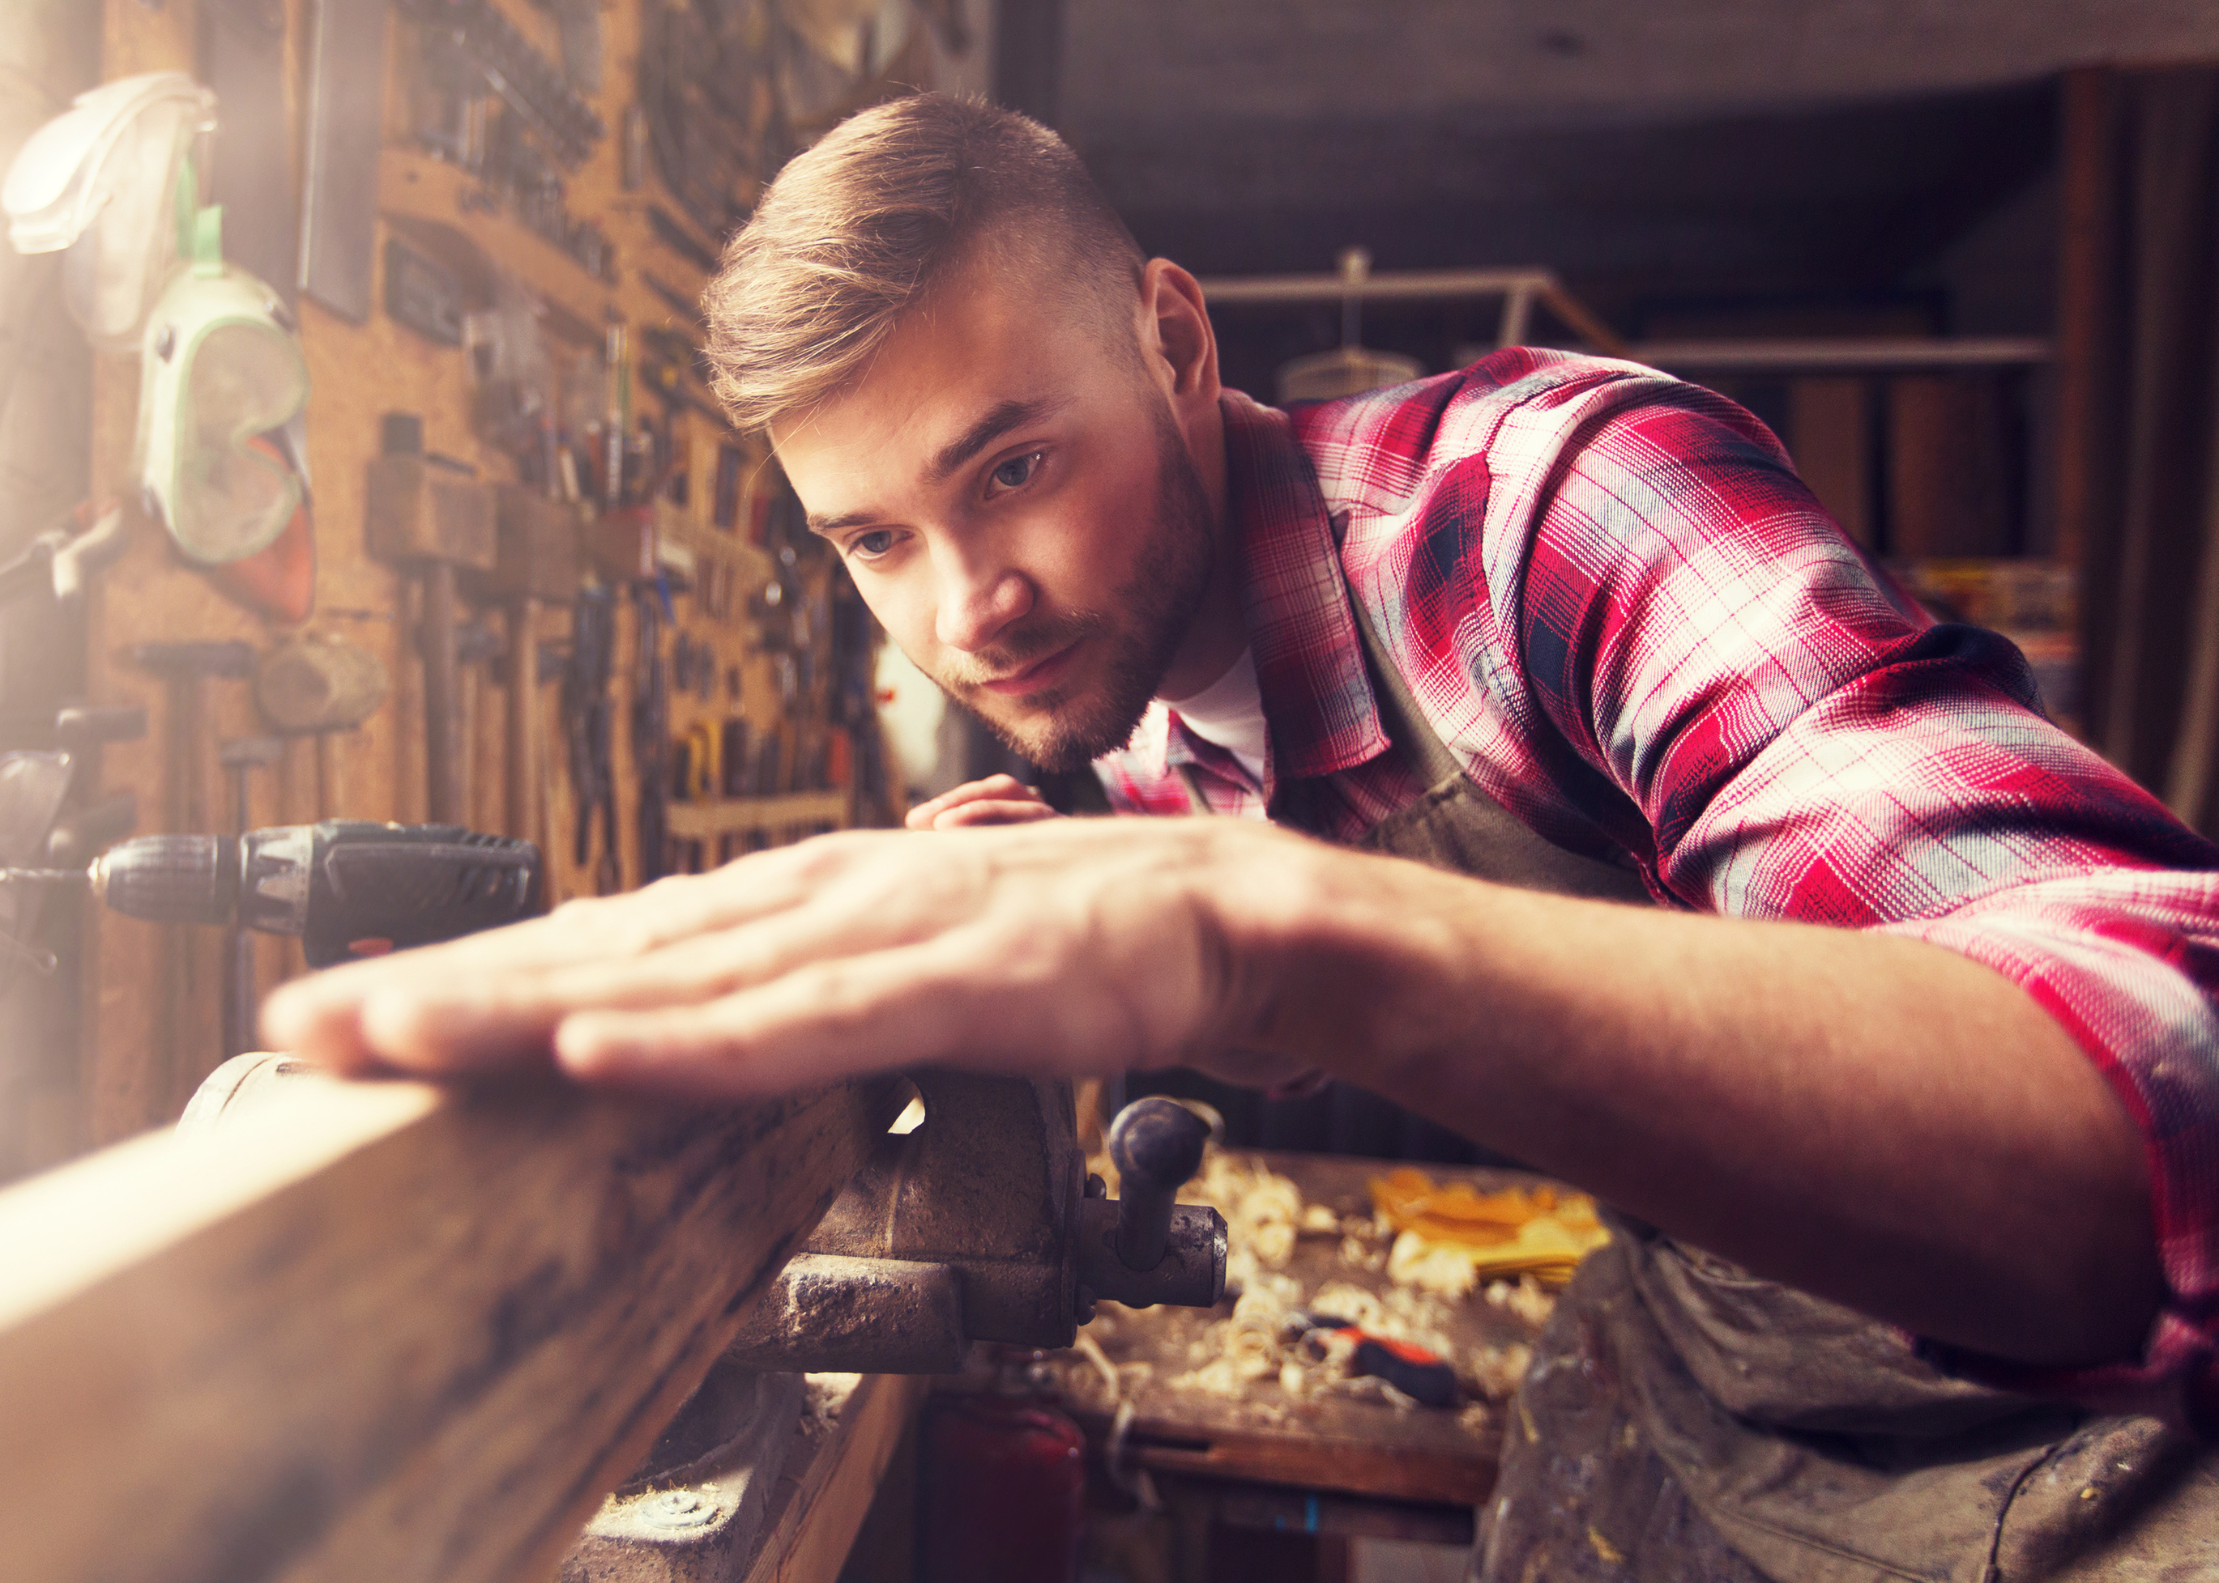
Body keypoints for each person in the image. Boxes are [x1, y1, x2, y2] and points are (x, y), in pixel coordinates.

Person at [263, 95, 2219, 1575]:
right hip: (1726, 1372)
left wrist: (1274, 925)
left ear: (1176, 345)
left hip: (2133, 1432)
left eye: (1011, 467)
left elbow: (2158, 1089)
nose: (967, 607)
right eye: (873, 539)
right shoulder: (1128, 731)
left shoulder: (1544, 512)